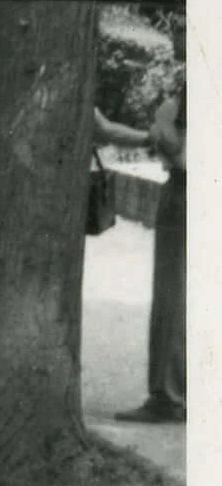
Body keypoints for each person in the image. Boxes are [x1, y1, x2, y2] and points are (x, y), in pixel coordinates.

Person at [99, 84, 186, 423]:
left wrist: (157, 128)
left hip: (184, 187)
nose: (177, 35)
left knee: (172, 293)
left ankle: (168, 395)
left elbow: (174, 145)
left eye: (181, 28)